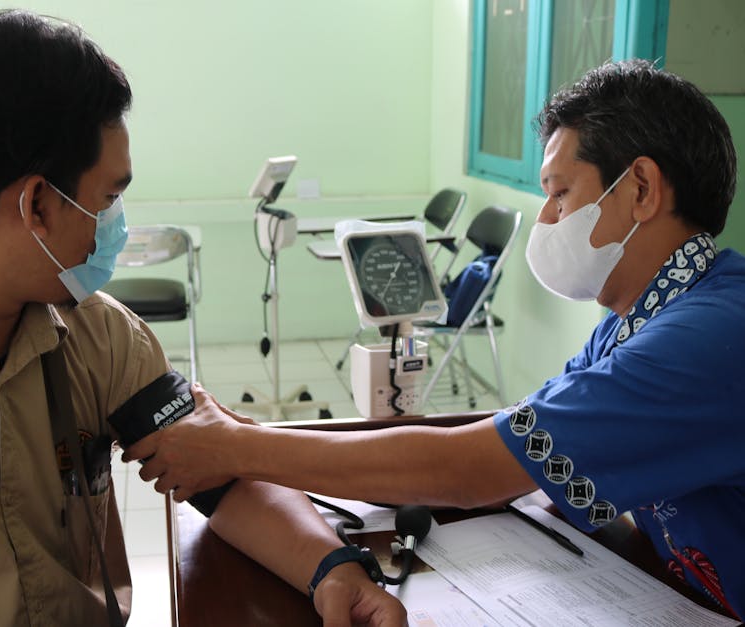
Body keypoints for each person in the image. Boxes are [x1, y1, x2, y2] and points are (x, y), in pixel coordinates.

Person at [0, 10, 407, 626]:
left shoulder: (103, 337)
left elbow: (221, 474)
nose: (115, 223)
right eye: (109, 197)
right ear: (37, 203)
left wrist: (333, 570)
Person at [125, 59, 745, 620]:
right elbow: (520, 439)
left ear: (639, 189)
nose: (547, 219)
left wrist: (242, 448)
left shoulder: (712, 336)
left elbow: (475, 468)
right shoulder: (636, 319)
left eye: (559, 192)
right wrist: (252, 441)